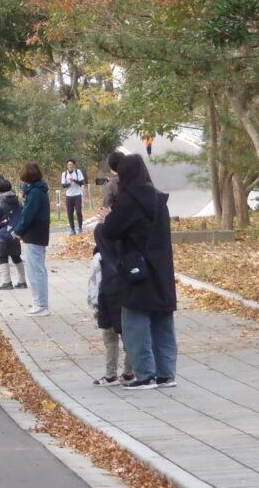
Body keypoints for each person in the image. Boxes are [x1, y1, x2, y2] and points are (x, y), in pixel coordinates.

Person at [99, 154, 177, 390]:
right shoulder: (159, 199)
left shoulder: (128, 201)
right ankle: (166, 374)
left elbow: (110, 232)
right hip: (161, 267)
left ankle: (145, 374)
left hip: (136, 268)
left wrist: (107, 219)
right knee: (162, 321)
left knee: (135, 322)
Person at [88, 224, 134, 386]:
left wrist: (94, 307)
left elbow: (94, 283)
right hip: (124, 300)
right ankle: (129, 372)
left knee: (110, 339)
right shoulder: (123, 251)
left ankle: (110, 374)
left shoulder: (99, 257)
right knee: (128, 337)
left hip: (106, 303)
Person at [13, 163, 50, 317]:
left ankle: (40, 304)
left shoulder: (35, 193)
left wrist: (18, 230)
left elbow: (27, 215)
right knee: (37, 268)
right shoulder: (38, 190)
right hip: (39, 232)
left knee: (35, 270)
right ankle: (40, 303)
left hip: (35, 233)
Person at [0, 180, 27, 290]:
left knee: (3, 256)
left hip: (2, 233)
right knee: (16, 256)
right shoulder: (17, 201)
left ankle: (7, 282)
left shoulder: (0, 202)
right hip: (15, 232)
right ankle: (22, 281)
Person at [61, 159, 85, 235]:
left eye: (71, 164)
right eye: (68, 164)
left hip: (77, 194)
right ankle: (72, 230)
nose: (70, 166)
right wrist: (69, 183)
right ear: (67, 165)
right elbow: (63, 185)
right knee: (69, 213)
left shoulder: (78, 172)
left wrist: (74, 180)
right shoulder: (64, 174)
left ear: (74, 165)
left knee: (78, 211)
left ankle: (80, 227)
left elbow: (82, 182)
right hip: (69, 195)